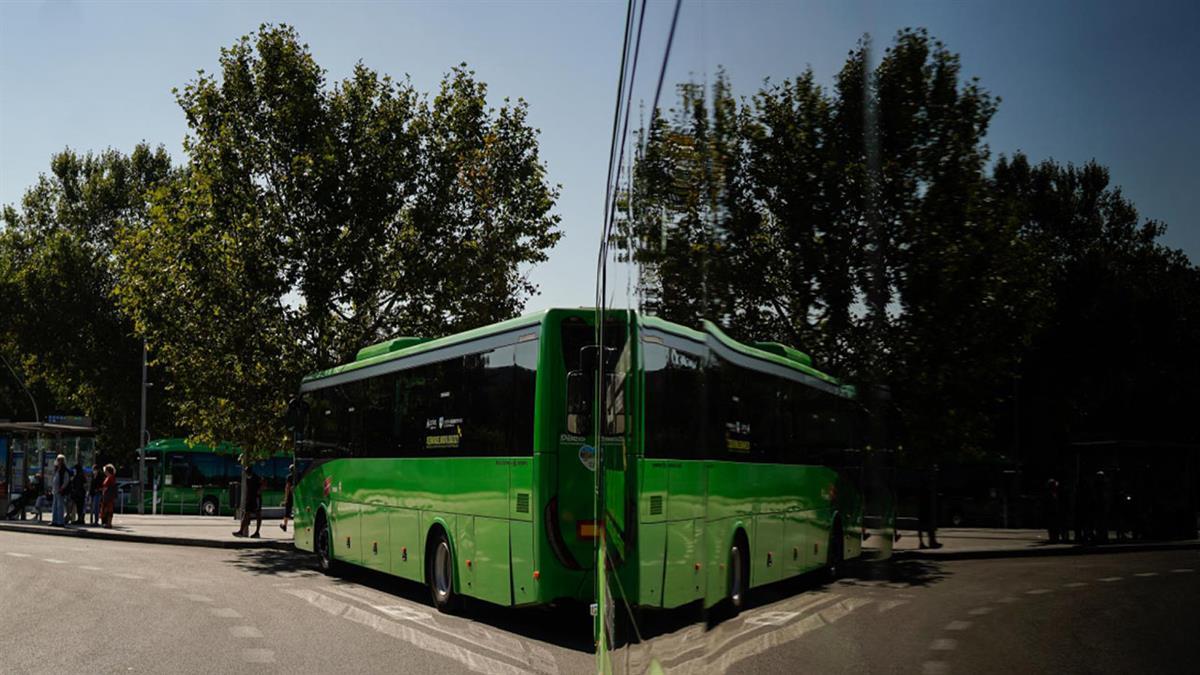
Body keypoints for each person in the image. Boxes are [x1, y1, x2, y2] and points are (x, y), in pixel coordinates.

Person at [233, 467, 263, 538]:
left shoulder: (256, 478)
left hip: (256, 498)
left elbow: (262, 484)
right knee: (246, 514)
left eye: (246, 472)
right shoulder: (247, 479)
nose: (246, 473)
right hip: (250, 499)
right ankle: (241, 531)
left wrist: (259, 492)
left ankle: (257, 532)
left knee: (258, 514)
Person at [51, 455, 69, 526]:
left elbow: (66, 480)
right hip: (55, 490)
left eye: (60, 460)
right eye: (58, 460)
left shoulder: (64, 470)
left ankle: (60, 522)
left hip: (60, 491)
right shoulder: (56, 469)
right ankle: (54, 521)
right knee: (54, 506)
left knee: (60, 506)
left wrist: (62, 488)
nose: (58, 462)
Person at [99, 464, 117, 528]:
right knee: (107, 510)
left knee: (108, 510)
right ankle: (107, 523)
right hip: (108, 496)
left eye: (106, 470)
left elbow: (107, 487)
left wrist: (103, 489)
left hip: (108, 496)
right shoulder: (110, 477)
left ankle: (108, 523)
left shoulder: (110, 478)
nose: (104, 472)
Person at [280, 464, 295, 532]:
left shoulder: (289, 477)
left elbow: (287, 488)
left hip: (290, 496)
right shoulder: (299, 476)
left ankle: (285, 525)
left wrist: (285, 498)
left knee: (287, 511)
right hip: (297, 496)